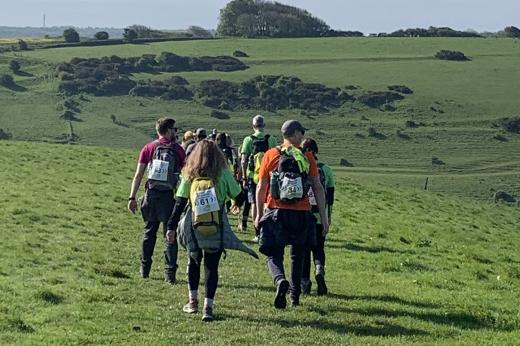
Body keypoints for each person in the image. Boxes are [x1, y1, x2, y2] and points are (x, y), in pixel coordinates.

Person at [166, 140, 257, 322]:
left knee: (193, 262)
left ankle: (192, 302)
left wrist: (171, 227)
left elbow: (180, 202)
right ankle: (208, 306)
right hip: (216, 224)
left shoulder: (189, 173)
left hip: (193, 225)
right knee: (211, 266)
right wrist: (234, 204)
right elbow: (239, 196)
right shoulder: (222, 174)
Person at [255, 120, 329, 309]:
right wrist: (324, 218)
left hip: (275, 210)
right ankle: (295, 296)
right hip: (301, 212)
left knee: (273, 252)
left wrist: (258, 213)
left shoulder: (271, 154)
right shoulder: (307, 157)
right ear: (294, 134)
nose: (303, 136)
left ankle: (279, 280)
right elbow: (317, 187)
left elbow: (261, 186)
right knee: (298, 254)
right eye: (301, 133)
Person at [128, 117, 186, 283]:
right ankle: (170, 273)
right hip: (169, 197)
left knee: (149, 232)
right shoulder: (178, 149)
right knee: (170, 234)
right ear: (168, 130)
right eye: (174, 129)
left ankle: (145, 269)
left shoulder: (148, 148)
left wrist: (132, 197)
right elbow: (187, 173)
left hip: (151, 195)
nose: (176, 132)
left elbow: (138, 175)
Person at [300, 138, 335, 296]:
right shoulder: (326, 169)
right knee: (319, 248)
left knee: (304, 250)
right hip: (320, 216)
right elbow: (331, 197)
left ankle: (305, 283)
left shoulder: (300, 166)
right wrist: (327, 218)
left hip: (303, 214)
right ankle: (319, 269)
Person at [240, 115, 277, 239]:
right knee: (267, 202)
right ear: (264, 126)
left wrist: (244, 177)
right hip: (268, 176)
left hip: (253, 176)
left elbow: (243, 160)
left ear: (253, 126)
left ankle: (257, 232)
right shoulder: (271, 139)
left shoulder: (248, 140)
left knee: (255, 203)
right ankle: (267, 230)